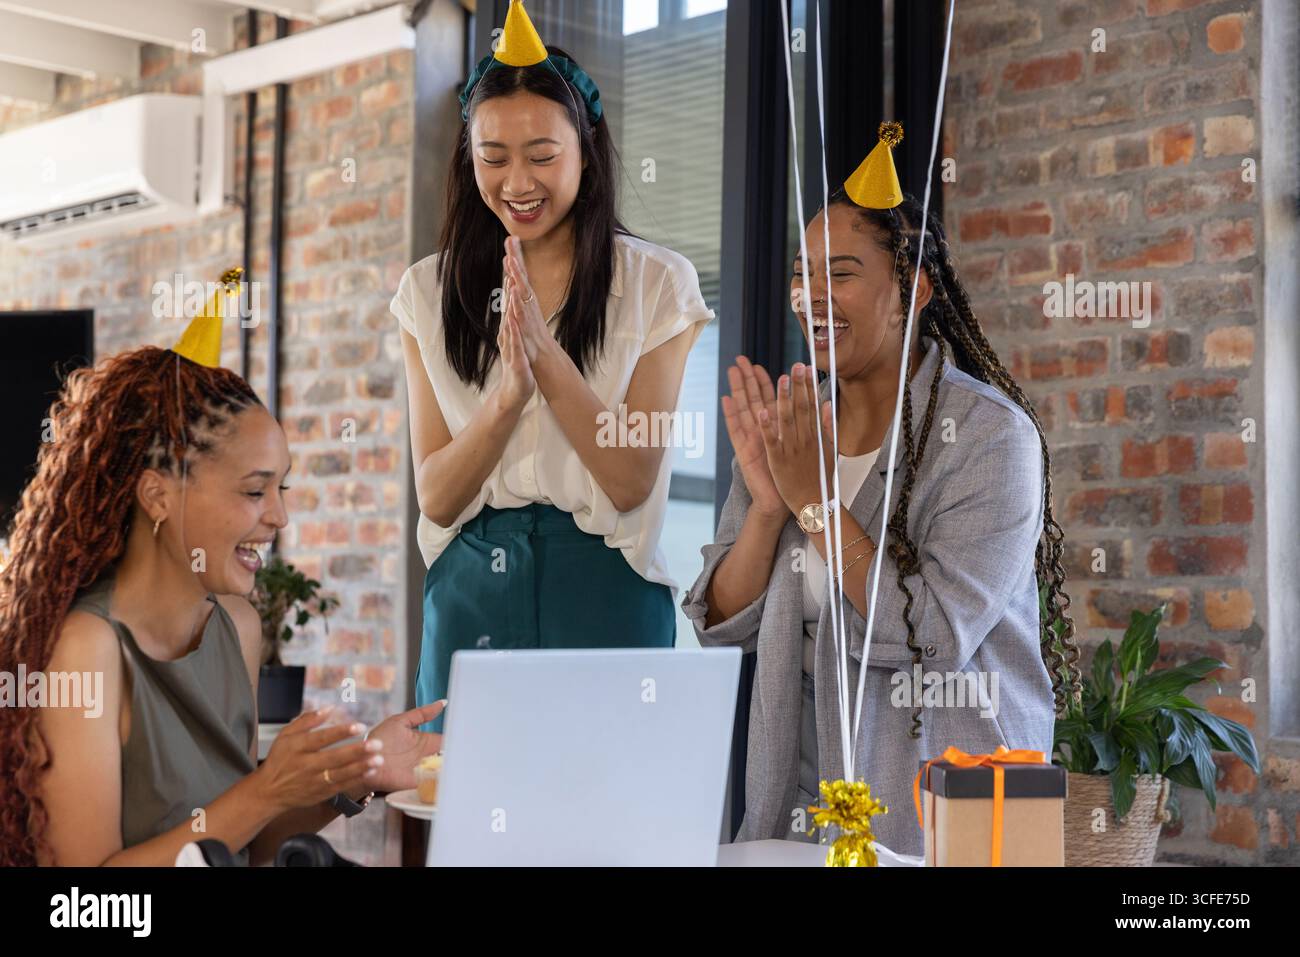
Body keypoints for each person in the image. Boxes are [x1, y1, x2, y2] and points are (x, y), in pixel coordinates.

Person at [682, 125, 1081, 857]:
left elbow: (932, 633)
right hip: (804, 809)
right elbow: (721, 623)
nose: (810, 296)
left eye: (840, 273)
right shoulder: (797, 429)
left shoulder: (992, 440)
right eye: (802, 274)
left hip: (943, 817)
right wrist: (771, 507)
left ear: (914, 286)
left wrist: (819, 506)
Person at [0, 290, 443, 866]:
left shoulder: (237, 626)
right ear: (158, 495)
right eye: (254, 491)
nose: (279, 516)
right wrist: (264, 788)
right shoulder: (87, 647)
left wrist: (359, 771)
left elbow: (244, 845)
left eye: (280, 488)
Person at [391, 1, 713, 732]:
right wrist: (507, 397)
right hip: (469, 588)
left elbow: (630, 479)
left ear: (586, 149)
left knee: (610, 830)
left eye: (542, 155)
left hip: (603, 587)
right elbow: (436, 495)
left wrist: (544, 357)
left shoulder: (659, 285)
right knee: (472, 828)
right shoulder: (425, 292)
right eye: (492, 156)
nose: (516, 181)